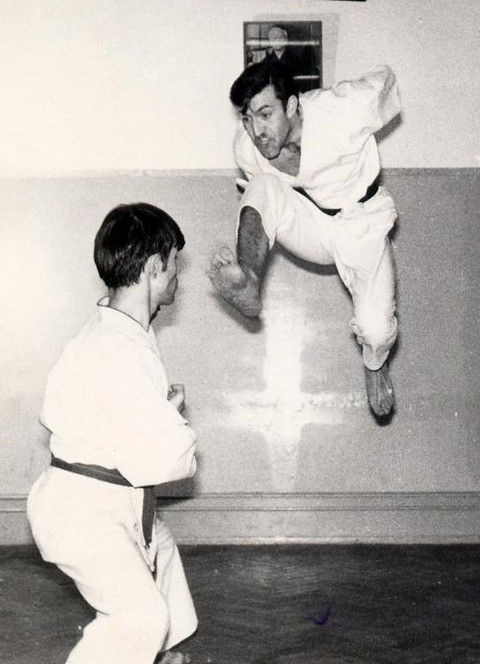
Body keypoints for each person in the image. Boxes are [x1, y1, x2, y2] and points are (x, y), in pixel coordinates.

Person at [27, 203, 197, 664]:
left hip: (92, 499)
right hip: (82, 513)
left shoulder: (116, 329)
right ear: (153, 266)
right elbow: (170, 459)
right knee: (140, 616)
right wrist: (175, 423)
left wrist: (159, 412)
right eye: (174, 262)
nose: (178, 275)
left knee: (160, 549)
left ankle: (154, 656)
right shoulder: (117, 346)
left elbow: (106, 414)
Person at [208, 61, 401, 421]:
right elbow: (263, 208)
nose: (256, 131)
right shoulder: (247, 149)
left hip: (363, 222)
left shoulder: (342, 109)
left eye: (265, 114)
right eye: (247, 119)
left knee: (375, 330)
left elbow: (385, 81)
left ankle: (375, 365)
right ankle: (249, 280)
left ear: (293, 105)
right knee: (262, 186)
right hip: (313, 222)